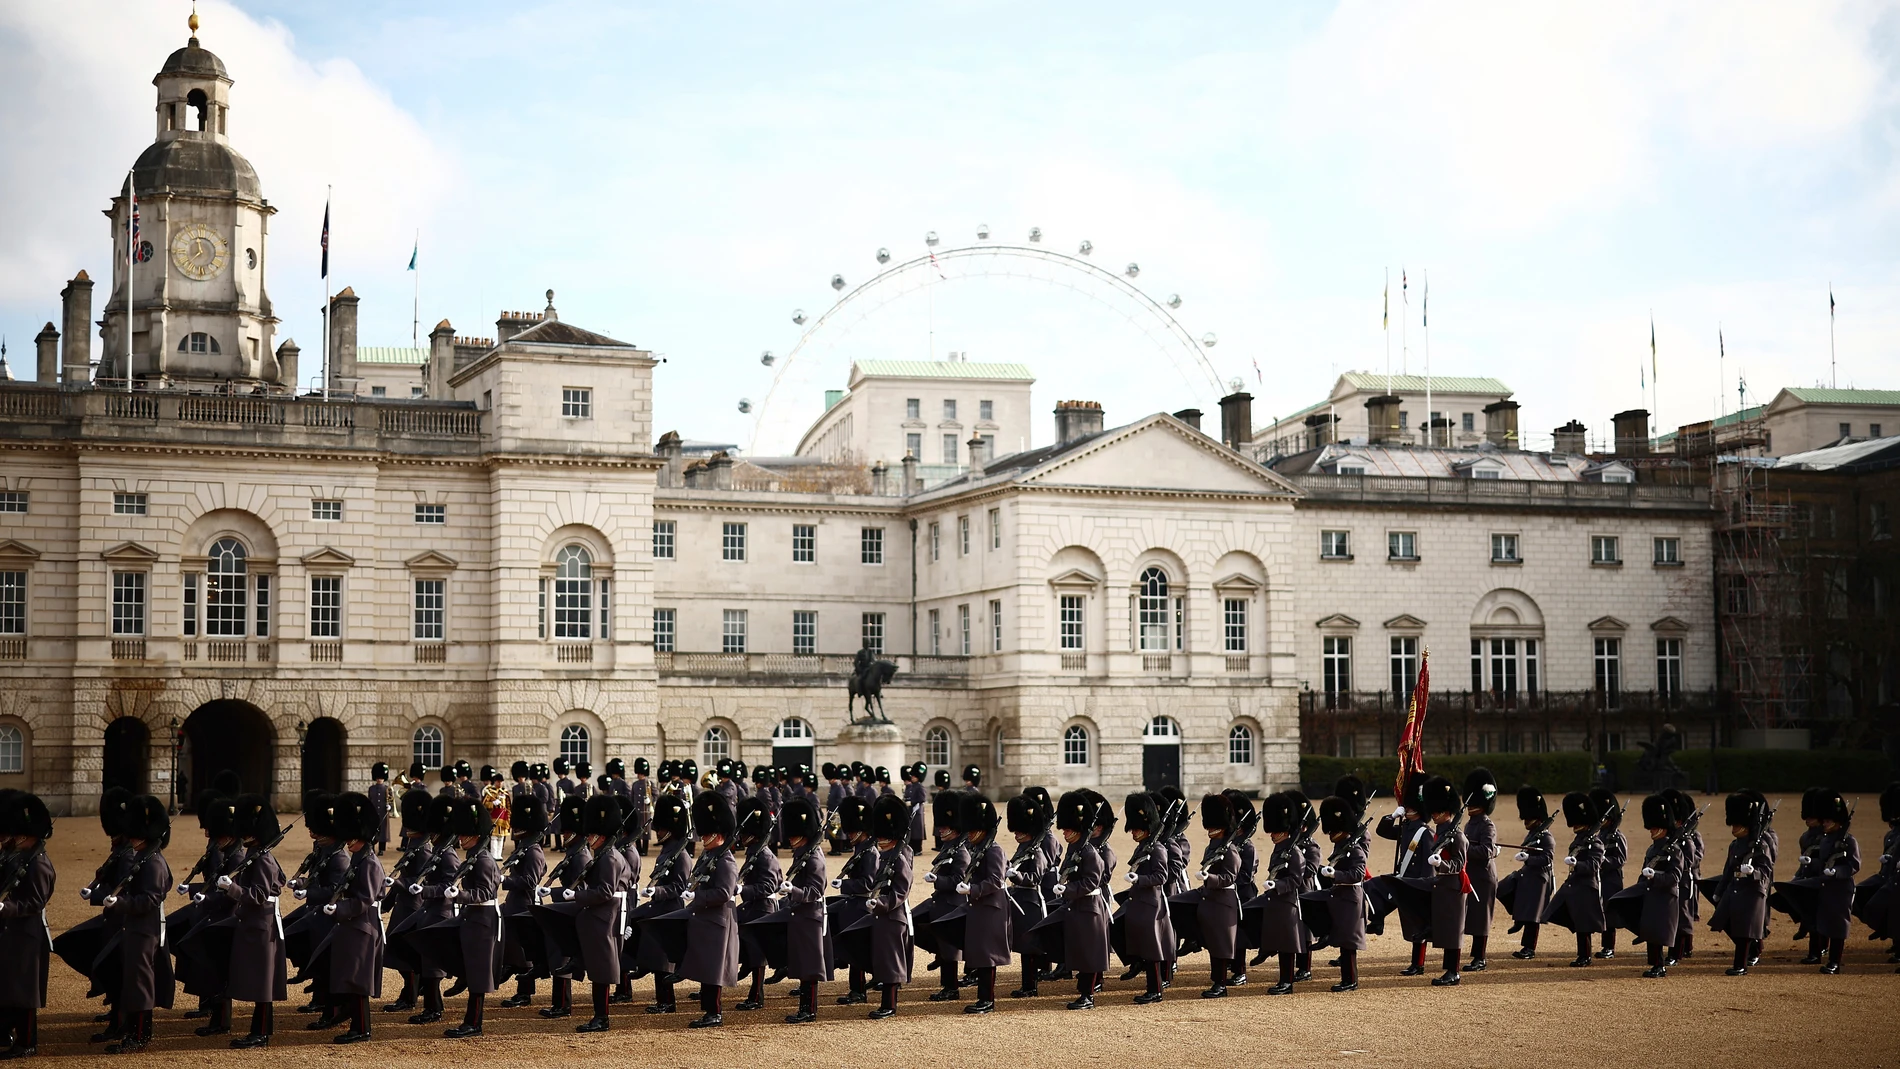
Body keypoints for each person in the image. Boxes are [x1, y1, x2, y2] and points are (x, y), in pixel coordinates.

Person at [99, 795, 172, 1054]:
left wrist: (119, 903)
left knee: (140, 983)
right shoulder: (143, 857)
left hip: (146, 930)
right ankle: (132, 1029)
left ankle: (141, 1035)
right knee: (132, 980)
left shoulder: (153, 862)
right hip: (135, 929)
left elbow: (150, 900)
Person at [222, 794, 288, 1048]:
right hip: (256, 922)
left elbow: (258, 895)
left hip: (262, 925)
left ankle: (260, 1034)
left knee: (262, 982)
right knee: (261, 980)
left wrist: (232, 889)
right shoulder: (256, 853)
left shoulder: (261, 857)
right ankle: (261, 1030)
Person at [178, 787, 244, 1034]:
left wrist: (203, 896)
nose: (208, 834)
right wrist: (195, 888)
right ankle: (212, 1010)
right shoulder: (226, 851)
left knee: (217, 969)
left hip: (225, 918)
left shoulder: (236, 857)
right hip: (213, 912)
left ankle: (221, 1019)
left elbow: (231, 894)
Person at [321, 793, 385, 1044]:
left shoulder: (369, 863)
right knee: (350, 976)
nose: (349, 843)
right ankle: (355, 1024)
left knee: (358, 981)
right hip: (354, 926)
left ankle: (362, 1029)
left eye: (353, 839)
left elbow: (363, 900)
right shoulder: (359, 858)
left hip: (363, 926)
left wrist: (338, 909)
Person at [440, 797, 501, 1038]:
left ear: (476, 835)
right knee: (471, 969)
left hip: (483, 921)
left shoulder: (484, 860)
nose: (461, 839)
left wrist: (460, 895)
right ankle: (471, 1020)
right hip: (473, 918)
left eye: (465, 835)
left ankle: (474, 1023)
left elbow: (485, 892)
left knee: (477, 973)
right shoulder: (473, 857)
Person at [0, 791, 55, 1060]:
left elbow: (34, 902)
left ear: (25, 833)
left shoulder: (39, 864)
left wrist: (4, 907)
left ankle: (27, 1043)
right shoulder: (19, 856)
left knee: (25, 993)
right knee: (10, 987)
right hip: (12, 933)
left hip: (29, 936)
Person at [680, 792, 740, 1028]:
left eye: (707, 833)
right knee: (706, 966)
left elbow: (724, 893)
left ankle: (714, 1013)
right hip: (704, 918)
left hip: (717, 920)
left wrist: (697, 896)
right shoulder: (709, 855)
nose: (703, 837)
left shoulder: (725, 860)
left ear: (719, 835)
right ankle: (707, 1010)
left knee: (713, 970)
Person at [953, 792, 1010, 1014]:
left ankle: (987, 1000)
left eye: (972, 830)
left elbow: (996, 880)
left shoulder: (994, 850)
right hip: (979, 906)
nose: (969, 834)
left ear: (983, 829)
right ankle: (983, 998)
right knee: (980, 954)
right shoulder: (977, 848)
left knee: (988, 956)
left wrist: (973, 889)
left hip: (991, 908)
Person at [535, 794, 591, 1020]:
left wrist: (554, 893)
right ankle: (558, 1001)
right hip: (564, 908)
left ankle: (563, 1005)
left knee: (562, 957)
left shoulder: (580, 855)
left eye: (567, 832)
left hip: (574, 912)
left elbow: (580, 890)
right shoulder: (573, 851)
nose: (563, 834)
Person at [1054, 790, 1111, 1009]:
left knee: (1089, 953)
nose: (1065, 832)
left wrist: (1067, 890)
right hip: (1076, 907)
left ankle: (1087, 996)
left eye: (1069, 829)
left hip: (1089, 908)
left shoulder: (1090, 853)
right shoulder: (1074, 849)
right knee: (1079, 949)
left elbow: (1091, 882)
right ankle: (1083, 991)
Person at [635, 792, 691, 1014]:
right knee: (657, 958)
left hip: (671, 910)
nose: (657, 831)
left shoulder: (681, 854)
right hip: (660, 909)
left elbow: (678, 887)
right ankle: (661, 999)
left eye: (661, 828)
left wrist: (656, 891)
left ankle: (668, 1002)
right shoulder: (668, 850)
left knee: (664, 961)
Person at [775, 796, 830, 1023]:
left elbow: (814, 891)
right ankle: (804, 1007)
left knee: (810, 967)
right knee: (802, 964)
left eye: (794, 834)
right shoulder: (802, 853)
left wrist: (793, 891)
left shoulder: (814, 857)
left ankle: (809, 1010)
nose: (790, 839)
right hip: (800, 914)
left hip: (811, 916)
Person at [379, 792, 435, 1013]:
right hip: (403, 904)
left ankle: (409, 996)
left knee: (406, 951)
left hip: (414, 905)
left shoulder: (424, 848)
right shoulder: (414, 842)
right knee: (398, 950)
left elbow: (418, 880)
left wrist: (397, 885)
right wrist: (387, 902)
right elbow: (403, 875)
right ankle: (410, 991)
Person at [1711, 789, 1774, 976]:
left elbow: (1766, 872)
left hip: (1752, 892)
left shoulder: (1760, 845)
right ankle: (1751, 948)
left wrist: (1753, 872)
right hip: (1735, 889)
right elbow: (1728, 871)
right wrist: (1719, 891)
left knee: (1743, 930)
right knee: (1725, 921)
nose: (1733, 829)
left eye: (1737, 825)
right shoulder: (1735, 845)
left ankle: (1740, 965)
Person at [1541, 792, 1607, 967]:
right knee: (1577, 921)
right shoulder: (1581, 839)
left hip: (1586, 886)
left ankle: (1585, 956)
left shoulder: (1595, 843)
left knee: (1584, 925)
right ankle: (1582, 955)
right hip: (1575, 885)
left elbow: (1594, 865)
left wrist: (1577, 864)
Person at [1376, 783, 1435, 976]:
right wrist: (1392, 816)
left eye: (1408, 807)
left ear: (1417, 810)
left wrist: (1423, 885)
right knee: (1378, 891)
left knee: (1418, 924)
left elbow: (1427, 865)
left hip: (1416, 882)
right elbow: (1382, 831)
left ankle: (1418, 964)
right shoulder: (1406, 827)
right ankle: (1377, 920)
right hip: (1404, 880)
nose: (1406, 810)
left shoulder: (1425, 833)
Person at [1313, 793, 1369, 992]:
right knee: (1343, 941)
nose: (1330, 834)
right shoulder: (1341, 846)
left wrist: (1335, 874)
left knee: (1348, 943)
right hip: (1340, 897)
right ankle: (1346, 978)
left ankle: (1351, 980)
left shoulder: (1354, 850)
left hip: (1351, 898)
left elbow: (1357, 874)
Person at [865, 795, 915, 1019]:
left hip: (894, 917)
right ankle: (886, 1002)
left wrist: (882, 904)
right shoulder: (884, 857)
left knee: (891, 963)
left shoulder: (899, 860)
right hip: (882, 915)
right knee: (884, 960)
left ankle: (890, 1005)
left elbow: (900, 893)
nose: (881, 840)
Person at [498, 793, 549, 1008]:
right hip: (515, 903)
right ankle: (510, 967)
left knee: (526, 950)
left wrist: (504, 880)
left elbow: (530, 880)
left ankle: (525, 993)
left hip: (526, 904)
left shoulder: (534, 852)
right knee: (515, 945)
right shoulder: (523, 848)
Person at [1119, 792, 1171, 1004]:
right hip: (1141, 902)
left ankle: (1155, 991)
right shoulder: (1143, 846)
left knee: (1152, 949)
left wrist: (1138, 878)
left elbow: (1161, 876)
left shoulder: (1157, 848)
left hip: (1152, 904)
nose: (1133, 832)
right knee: (1143, 947)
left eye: (1137, 828)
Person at [1255, 793, 1307, 995]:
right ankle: (1284, 979)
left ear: (1285, 830)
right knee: (1280, 942)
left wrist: (1276, 885)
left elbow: (1295, 880)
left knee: (1287, 946)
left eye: (1276, 831)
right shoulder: (1280, 849)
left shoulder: (1293, 852)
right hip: (1277, 902)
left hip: (1287, 903)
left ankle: (1287, 982)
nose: (1272, 835)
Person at [732, 798, 782, 1011]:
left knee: (757, 951)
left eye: (744, 834)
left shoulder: (765, 856)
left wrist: (744, 890)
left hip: (762, 908)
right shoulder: (754, 851)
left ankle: (756, 995)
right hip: (752, 906)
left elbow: (770, 886)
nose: (741, 837)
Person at [830, 796, 878, 1005]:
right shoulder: (861, 848)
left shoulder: (869, 852)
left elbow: (867, 884)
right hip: (852, 903)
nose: (848, 834)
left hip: (862, 906)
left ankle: (858, 991)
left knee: (856, 949)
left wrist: (843, 885)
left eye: (851, 830)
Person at [1419, 776, 1467, 987]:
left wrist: (1441, 864)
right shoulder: (1441, 833)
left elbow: (1459, 863)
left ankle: (1453, 972)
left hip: (1454, 887)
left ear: (1448, 811)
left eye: (1438, 811)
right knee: (1446, 928)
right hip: (1442, 886)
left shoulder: (1456, 835)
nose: (1434, 815)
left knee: (1453, 931)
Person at [1630, 793, 1684, 978]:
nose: (1651, 831)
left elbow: (1675, 876)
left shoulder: (1674, 850)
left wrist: (1655, 877)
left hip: (1665, 896)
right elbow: (1643, 871)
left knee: (1659, 932)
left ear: (1663, 828)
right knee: (1650, 931)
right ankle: (1654, 964)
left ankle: (1660, 965)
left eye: (1655, 828)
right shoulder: (1653, 849)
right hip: (1651, 894)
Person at [921, 789, 968, 1002]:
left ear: (955, 827)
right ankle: (939, 958)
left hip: (952, 904)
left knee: (949, 951)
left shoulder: (960, 851)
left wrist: (937, 881)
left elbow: (959, 879)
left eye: (945, 826)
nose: (940, 830)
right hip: (941, 902)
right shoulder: (950, 846)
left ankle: (951, 989)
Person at [1807, 789, 1860, 974]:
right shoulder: (1827, 840)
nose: (1825, 823)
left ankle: (1834, 962)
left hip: (1841, 888)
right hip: (1826, 886)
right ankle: (1825, 955)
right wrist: (1811, 863)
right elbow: (1822, 863)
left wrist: (1836, 871)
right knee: (1825, 921)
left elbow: (1854, 865)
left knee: (1838, 925)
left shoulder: (1849, 841)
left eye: (1828, 820)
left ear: (1838, 822)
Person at [1196, 792, 1241, 998]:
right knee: (1214, 943)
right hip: (1211, 899)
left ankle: (1221, 984)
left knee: (1222, 944)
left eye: (1214, 825)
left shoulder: (1230, 850)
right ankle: (1216, 980)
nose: (1210, 829)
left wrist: (1209, 878)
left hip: (1224, 901)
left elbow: (1229, 877)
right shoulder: (1212, 846)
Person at [1460, 769, 1500, 971]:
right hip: (1473, 875)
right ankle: (1475, 955)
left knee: (1481, 918)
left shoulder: (1487, 825)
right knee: (1472, 916)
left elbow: (1486, 851)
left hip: (1484, 877)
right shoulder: (1470, 823)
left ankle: (1480, 958)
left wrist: (1464, 848)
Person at [1589, 788, 1627, 959]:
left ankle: (1609, 947)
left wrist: (1602, 861)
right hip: (1599, 878)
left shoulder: (1617, 837)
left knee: (1610, 914)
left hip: (1611, 879)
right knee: (1600, 911)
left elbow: (1620, 859)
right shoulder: (1599, 835)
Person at [629, 758, 655, 856]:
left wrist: (650, 800)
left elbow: (655, 794)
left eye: (641, 773)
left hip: (646, 810)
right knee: (637, 831)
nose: (639, 775)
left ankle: (645, 850)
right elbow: (632, 797)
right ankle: (639, 849)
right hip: (637, 810)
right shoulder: (635, 784)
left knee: (646, 832)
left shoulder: (649, 783)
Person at [904, 763, 928, 855]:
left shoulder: (920, 786)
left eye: (914, 776)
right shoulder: (913, 786)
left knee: (917, 831)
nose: (912, 778)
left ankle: (918, 849)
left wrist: (912, 802)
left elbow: (922, 799)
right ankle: (913, 848)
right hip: (912, 810)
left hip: (917, 811)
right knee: (912, 830)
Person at [368, 764, 392, 856]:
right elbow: (369, 800)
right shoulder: (372, 789)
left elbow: (390, 800)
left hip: (383, 812)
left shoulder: (387, 789)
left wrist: (389, 807)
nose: (379, 779)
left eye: (381, 778)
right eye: (378, 777)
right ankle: (372, 848)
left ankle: (382, 849)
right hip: (373, 812)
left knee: (383, 831)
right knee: (373, 830)